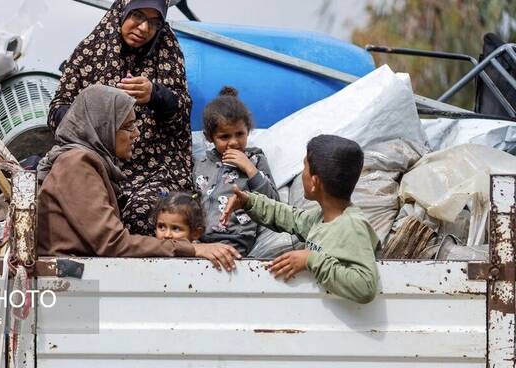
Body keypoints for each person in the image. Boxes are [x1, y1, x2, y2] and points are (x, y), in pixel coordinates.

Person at [38, 85, 240, 271]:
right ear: (104, 127)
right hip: (69, 282)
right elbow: (112, 243)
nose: (136, 134)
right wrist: (191, 249)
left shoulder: (87, 163)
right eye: (128, 126)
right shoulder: (77, 164)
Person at [48, 0, 193, 236]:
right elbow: (57, 110)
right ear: (121, 12)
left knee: (143, 214)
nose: (144, 28)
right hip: (95, 167)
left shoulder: (167, 50)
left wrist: (156, 95)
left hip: (154, 171)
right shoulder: (90, 51)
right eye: (137, 15)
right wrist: (94, 116)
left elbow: (183, 115)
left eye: (154, 22)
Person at [221, 135, 379, 304]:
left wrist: (310, 259)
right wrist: (249, 201)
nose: (302, 173)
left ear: (314, 182)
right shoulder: (322, 218)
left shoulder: (352, 225)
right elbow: (290, 217)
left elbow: (366, 286)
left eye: (305, 167)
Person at [193, 86, 279, 256]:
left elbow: (273, 201)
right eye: (224, 137)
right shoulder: (201, 163)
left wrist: (249, 168)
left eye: (240, 134)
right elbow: (191, 199)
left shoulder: (255, 159)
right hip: (200, 240)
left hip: (236, 238)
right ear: (209, 137)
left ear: (248, 130)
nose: (233, 142)